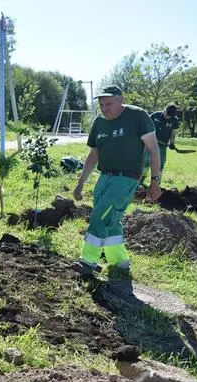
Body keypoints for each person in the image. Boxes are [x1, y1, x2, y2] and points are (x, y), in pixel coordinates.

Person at [73, 85, 161, 276]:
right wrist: (80, 183)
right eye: (102, 105)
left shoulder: (138, 116)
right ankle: (119, 262)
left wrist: (155, 182)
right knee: (110, 220)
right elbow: (93, 155)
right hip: (104, 177)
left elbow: (154, 149)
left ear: (121, 100)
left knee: (100, 216)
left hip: (126, 178)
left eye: (109, 104)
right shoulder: (99, 123)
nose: (105, 108)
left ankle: (88, 261)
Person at [141, 103, 180, 182]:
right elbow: (145, 127)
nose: (168, 117)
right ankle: (141, 180)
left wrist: (172, 143)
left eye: (170, 116)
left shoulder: (175, 120)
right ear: (164, 110)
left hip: (162, 146)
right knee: (145, 162)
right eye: (167, 114)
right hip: (149, 143)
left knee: (160, 164)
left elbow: (173, 133)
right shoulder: (155, 115)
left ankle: (157, 183)